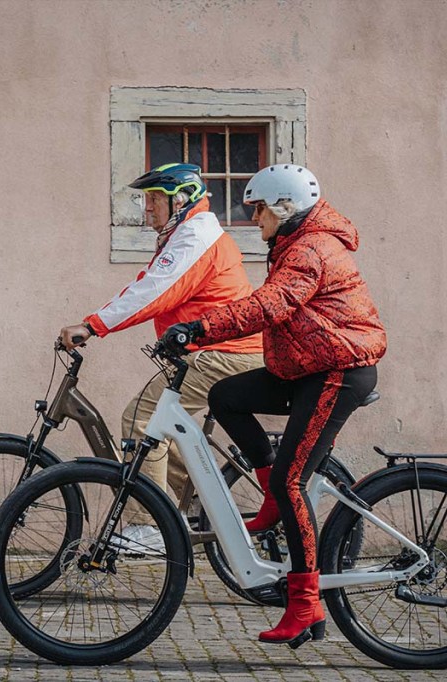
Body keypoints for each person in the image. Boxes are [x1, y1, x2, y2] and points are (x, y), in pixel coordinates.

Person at [160, 164, 386, 647]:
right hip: (308, 365)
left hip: (336, 371)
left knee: (292, 481)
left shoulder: (310, 247)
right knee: (226, 397)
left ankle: (304, 604)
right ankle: (271, 499)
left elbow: (270, 305)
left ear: (284, 207)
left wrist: (199, 329)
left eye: (257, 208)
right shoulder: (293, 242)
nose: (252, 218)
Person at [59, 163, 264, 551]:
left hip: (223, 353)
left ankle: (148, 528)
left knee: (140, 421)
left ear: (181, 199)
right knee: (168, 433)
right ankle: (189, 512)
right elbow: (146, 286)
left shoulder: (196, 236)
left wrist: (93, 325)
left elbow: (153, 293)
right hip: (218, 352)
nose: (147, 208)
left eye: (154, 199)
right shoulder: (186, 235)